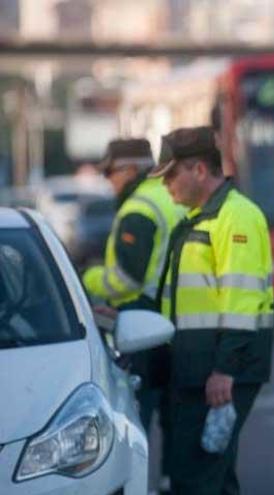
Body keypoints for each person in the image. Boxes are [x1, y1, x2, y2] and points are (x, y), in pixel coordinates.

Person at [149, 126, 274, 495]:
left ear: (199, 170)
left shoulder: (236, 217)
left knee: (195, 477)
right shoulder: (201, 217)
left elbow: (242, 303)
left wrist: (224, 369)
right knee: (213, 478)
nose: (166, 184)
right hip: (200, 368)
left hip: (219, 372)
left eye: (171, 175)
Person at [83, 138, 184, 491]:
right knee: (176, 415)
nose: (108, 180)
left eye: (110, 171)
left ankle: (134, 484)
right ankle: (173, 481)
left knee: (135, 413)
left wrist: (90, 279)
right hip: (180, 318)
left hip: (141, 319)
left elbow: (127, 279)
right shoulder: (171, 198)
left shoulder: (139, 208)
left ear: (128, 168)